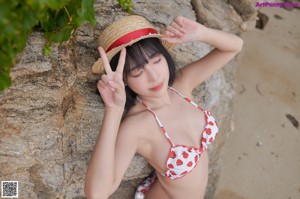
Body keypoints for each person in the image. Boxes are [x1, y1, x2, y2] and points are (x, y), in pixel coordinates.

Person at [84, 15, 243, 199]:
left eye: (156, 60)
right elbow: (96, 193)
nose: (154, 76)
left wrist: (201, 33)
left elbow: (235, 46)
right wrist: (114, 110)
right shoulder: (137, 126)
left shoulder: (182, 85)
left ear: (165, 55)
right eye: (137, 72)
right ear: (124, 80)